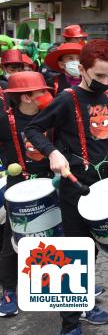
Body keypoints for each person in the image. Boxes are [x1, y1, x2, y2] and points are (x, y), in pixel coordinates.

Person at [25, 39, 108, 335]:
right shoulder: (67, 98)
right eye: (99, 76)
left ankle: (83, 303)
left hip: (101, 184)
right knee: (73, 253)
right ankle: (69, 325)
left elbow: (102, 131)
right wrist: (53, 152)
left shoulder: (105, 98)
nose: (106, 83)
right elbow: (32, 128)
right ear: (82, 70)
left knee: (92, 250)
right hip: (74, 187)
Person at [0, 71, 53, 318]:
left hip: (50, 184)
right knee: (13, 242)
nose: (46, 95)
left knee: (55, 236)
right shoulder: (5, 120)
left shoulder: (51, 117)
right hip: (18, 187)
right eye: (41, 92)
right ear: (26, 97)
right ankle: (9, 290)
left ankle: (57, 283)